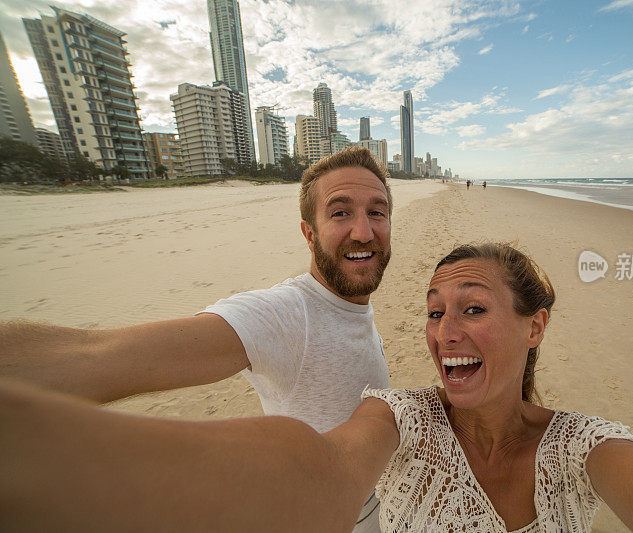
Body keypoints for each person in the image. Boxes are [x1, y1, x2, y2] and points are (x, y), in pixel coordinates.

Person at [2, 243, 633, 531]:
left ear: (535, 327)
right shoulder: (403, 416)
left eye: (474, 308)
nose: (445, 330)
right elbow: (317, 467)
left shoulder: (580, 445)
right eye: (433, 312)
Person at [0, 146, 394, 531]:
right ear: (309, 234)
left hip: (380, 500)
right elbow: (94, 355)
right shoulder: (287, 314)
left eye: (376, 212)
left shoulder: (352, 303)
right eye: (340, 213)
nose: (363, 231)